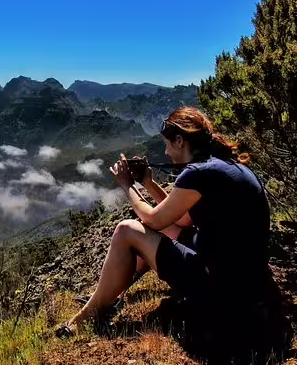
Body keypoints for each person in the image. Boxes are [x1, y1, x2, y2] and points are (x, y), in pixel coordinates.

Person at [58, 106, 271, 335]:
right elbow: (182, 220)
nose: (166, 153)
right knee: (162, 229)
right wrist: (148, 183)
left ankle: (84, 318)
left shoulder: (198, 173)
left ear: (180, 141)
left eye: (167, 144)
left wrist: (127, 185)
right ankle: (110, 298)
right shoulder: (222, 166)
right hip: (247, 279)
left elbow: (153, 219)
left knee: (126, 230)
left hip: (221, 287)